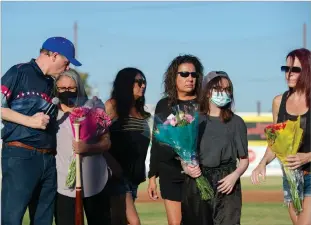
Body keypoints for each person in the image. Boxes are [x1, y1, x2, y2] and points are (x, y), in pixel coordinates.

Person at [1, 36, 81, 225]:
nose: (68, 67)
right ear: (53, 55)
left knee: (43, 219)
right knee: (12, 217)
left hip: (48, 159)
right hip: (21, 155)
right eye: (66, 61)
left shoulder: (51, 84)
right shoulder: (19, 72)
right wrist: (30, 121)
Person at [251, 48, 311, 225]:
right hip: (290, 177)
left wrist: (306, 156)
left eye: (295, 69)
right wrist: (262, 163)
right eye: (286, 69)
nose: (289, 74)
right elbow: (275, 143)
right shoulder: (279, 101)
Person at [181, 71, 249, 225]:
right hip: (198, 181)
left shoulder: (237, 122)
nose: (223, 93)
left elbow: (244, 160)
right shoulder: (194, 121)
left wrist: (234, 176)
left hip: (226, 184)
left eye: (227, 89)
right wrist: (187, 168)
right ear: (207, 92)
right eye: (218, 88)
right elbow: (184, 156)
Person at [147, 54, 204, 225]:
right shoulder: (164, 105)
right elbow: (157, 141)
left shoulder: (204, 104)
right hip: (170, 172)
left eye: (194, 75)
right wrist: (152, 177)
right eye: (184, 74)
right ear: (174, 76)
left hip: (199, 173)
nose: (190, 79)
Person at [53, 69, 112, 225]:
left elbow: (106, 142)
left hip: (95, 181)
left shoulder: (93, 109)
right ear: (56, 90)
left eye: (71, 88)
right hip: (64, 184)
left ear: (79, 87)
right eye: (62, 89)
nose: (66, 92)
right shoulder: (51, 114)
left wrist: (88, 148)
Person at [105, 67, 151, 225]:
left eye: (144, 82)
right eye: (139, 82)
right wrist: (112, 165)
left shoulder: (140, 112)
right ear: (125, 84)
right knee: (133, 222)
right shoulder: (113, 106)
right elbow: (97, 138)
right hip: (117, 177)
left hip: (133, 179)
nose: (143, 85)